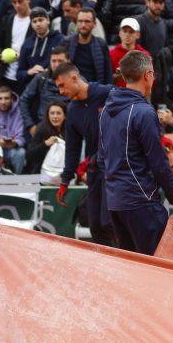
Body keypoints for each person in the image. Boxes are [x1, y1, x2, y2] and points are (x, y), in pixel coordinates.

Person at [98, 50, 173, 255]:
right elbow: (158, 162)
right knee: (157, 267)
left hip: (116, 204)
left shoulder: (105, 110)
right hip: (141, 202)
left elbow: (101, 159)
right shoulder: (144, 111)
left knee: (133, 270)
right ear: (147, 75)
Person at [53, 61, 114, 245]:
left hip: (118, 168)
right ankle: (108, 267)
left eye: (62, 86)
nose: (61, 92)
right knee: (95, 224)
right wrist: (65, 180)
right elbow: (72, 148)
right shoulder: (72, 109)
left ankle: (128, 264)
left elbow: (138, 108)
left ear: (74, 78)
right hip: (95, 170)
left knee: (109, 222)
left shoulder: (107, 93)